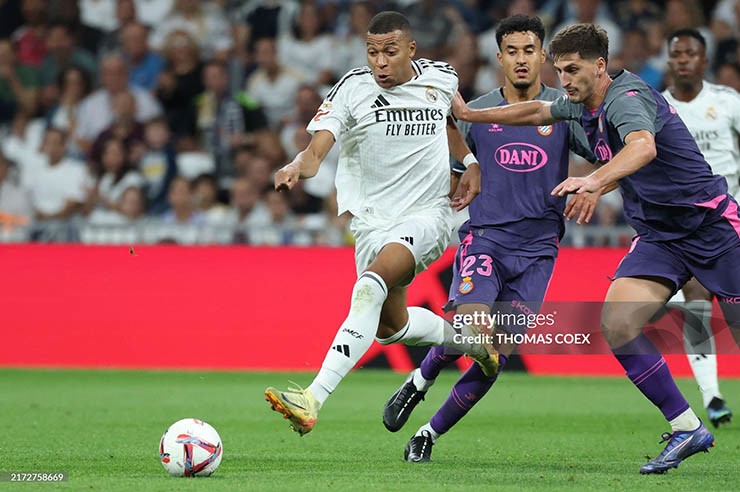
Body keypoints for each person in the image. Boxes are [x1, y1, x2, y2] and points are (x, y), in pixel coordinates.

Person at [452, 23, 740, 475]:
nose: (563, 80)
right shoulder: (580, 103)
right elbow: (537, 111)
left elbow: (642, 147)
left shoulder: (627, 98)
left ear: (600, 65)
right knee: (619, 324)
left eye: (573, 70)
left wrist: (594, 180)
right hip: (660, 238)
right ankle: (686, 427)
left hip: (712, 230)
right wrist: (471, 115)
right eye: (559, 70)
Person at [264, 11, 498, 437]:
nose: (380, 62)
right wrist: (297, 165)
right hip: (372, 223)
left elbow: (446, 120)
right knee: (392, 328)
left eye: (390, 51)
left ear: (411, 49)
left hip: (427, 215)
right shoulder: (352, 89)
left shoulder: (442, 76)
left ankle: (312, 398)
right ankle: (472, 343)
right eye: (372, 52)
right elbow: (316, 152)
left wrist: (470, 161)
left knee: (369, 287)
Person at [382, 14, 599, 463]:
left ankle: (427, 434)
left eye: (529, 51)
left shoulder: (564, 109)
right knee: (472, 330)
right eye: (512, 51)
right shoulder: (477, 113)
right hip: (486, 240)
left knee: (495, 355)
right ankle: (420, 381)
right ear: (499, 58)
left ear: (543, 56)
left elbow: (603, 152)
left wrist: (596, 184)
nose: (521, 60)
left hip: (539, 251)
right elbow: (451, 162)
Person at [661, 28, 738, 429]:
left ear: (704, 60)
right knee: (695, 301)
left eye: (690, 54)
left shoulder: (728, 102)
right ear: (669, 61)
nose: (683, 60)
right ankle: (712, 396)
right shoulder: (657, 108)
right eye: (677, 54)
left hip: (731, 221)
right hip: (685, 227)